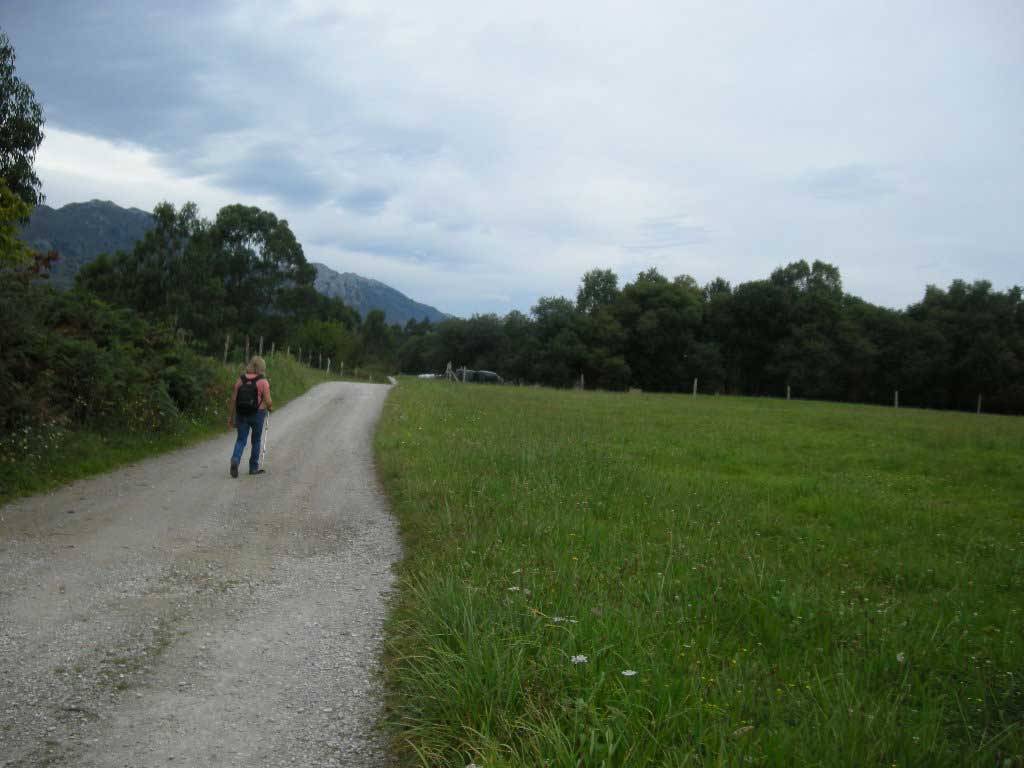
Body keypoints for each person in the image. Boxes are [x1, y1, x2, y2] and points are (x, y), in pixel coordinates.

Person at [229, 356, 273, 477]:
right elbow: (268, 402)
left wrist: (231, 417)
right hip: (257, 414)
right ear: (262, 368)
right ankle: (253, 468)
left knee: (241, 440)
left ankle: (236, 459)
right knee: (256, 440)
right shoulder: (263, 382)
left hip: (241, 414)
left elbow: (233, 399)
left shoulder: (240, 380)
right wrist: (270, 407)